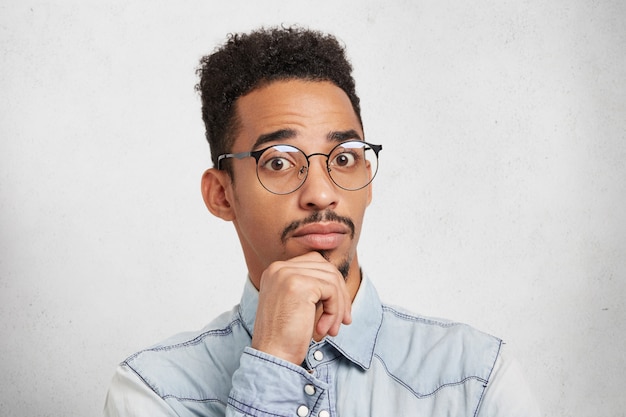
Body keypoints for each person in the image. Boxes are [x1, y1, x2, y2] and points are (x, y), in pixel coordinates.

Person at [104, 26, 539, 417]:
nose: (321, 193)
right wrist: (272, 359)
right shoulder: (155, 391)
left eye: (344, 158)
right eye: (278, 162)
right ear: (222, 195)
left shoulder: (474, 379)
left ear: (367, 179)